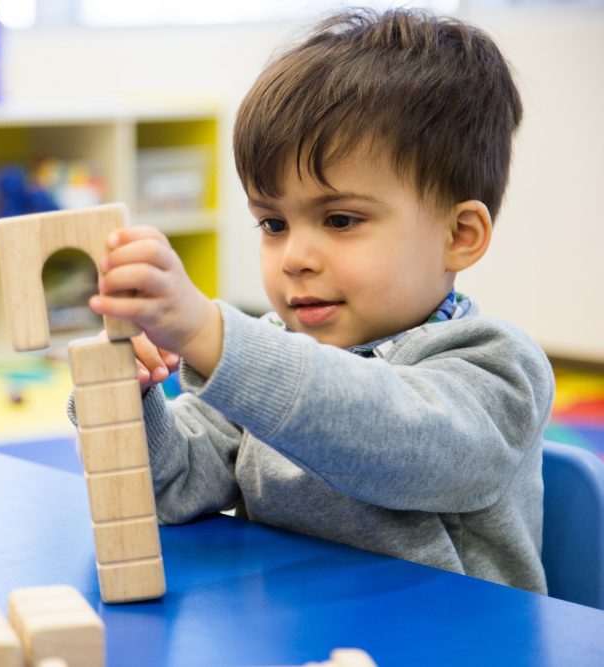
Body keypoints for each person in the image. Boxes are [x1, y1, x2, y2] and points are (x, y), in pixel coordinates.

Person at [82, 9, 554, 593]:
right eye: (273, 223)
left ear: (458, 236)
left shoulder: (496, 366)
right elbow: (176, 488)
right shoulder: (274, 353)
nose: (294, 257)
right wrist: (127, 398)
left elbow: (396, 439)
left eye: (340, 219)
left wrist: (211, 333)